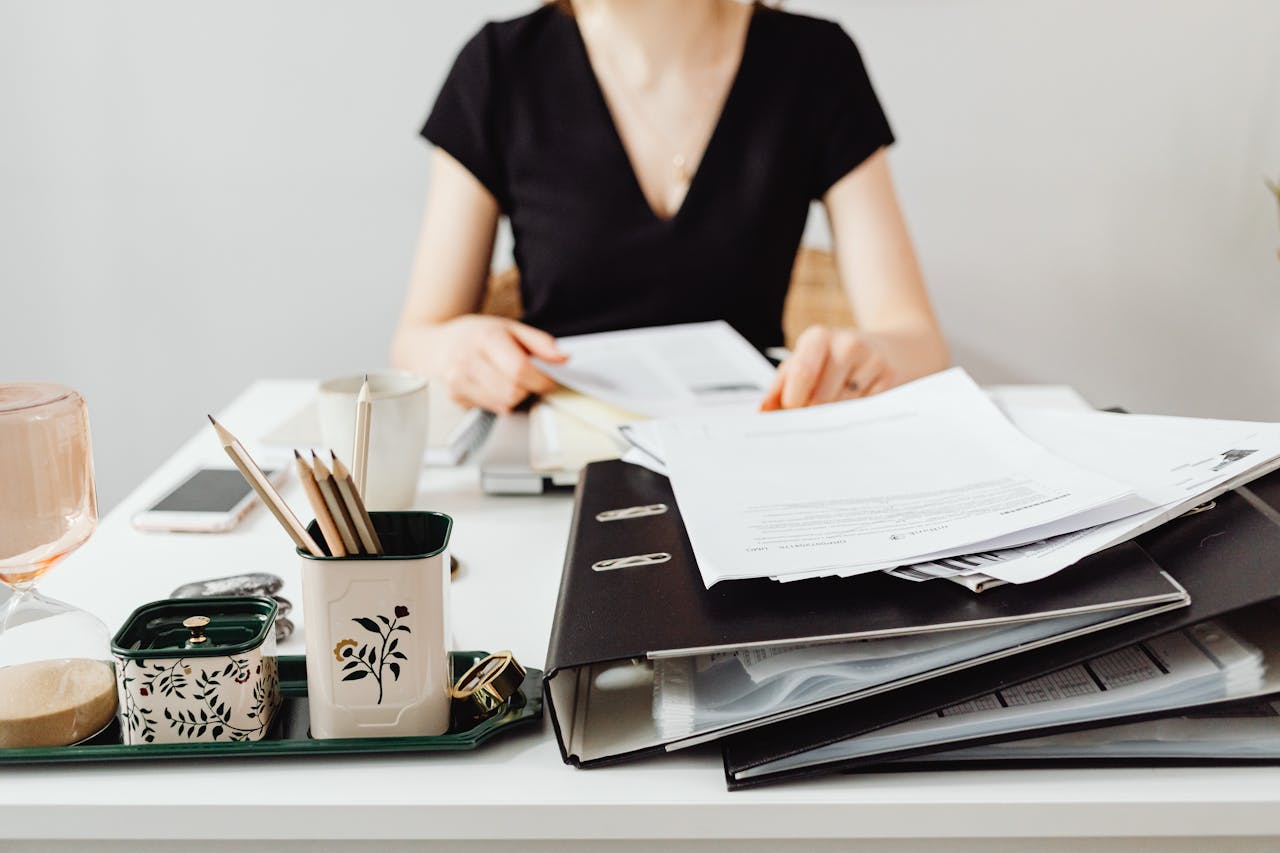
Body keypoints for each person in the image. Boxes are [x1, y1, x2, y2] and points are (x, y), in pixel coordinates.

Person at [392, 0, 948, 414]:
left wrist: (867, 359)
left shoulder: (817, 62)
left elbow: (917, 341)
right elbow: (417, 338)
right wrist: (455, 348)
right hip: (561, 454)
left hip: (751, 446)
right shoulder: (498, 67)